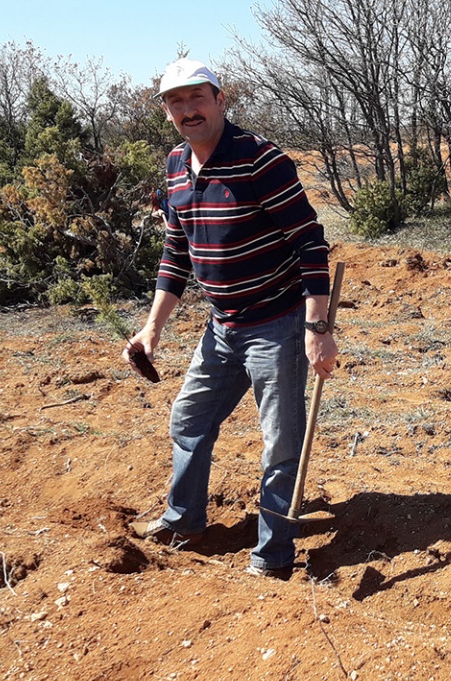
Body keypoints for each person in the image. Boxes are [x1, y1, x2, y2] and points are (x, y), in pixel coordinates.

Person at [123, 57, 338, 578]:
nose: (187, 109)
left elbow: (310, 245)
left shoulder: (262, 160)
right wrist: (153, 327)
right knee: (189, 420)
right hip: (221, 327)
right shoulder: (176, 165)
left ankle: (272, 557)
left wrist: (317, 329)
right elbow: (178, 250)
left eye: (198, 97)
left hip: (277, 323)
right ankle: (183, 519)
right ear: (167, 112)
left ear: (221, 100)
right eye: (176, 101)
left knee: (281, 443)